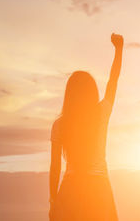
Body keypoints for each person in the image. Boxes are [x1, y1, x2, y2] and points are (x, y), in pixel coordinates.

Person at [49, 33, 124, 221]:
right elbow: (113, 81)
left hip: (70, 191)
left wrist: (53, 201)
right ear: (92, 92)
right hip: (98, 190)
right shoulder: (101, 114)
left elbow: (55, 167)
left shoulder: (60, 124)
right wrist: (119, 49)